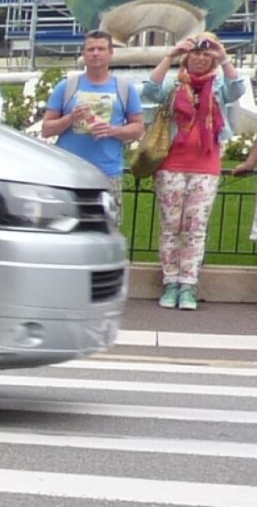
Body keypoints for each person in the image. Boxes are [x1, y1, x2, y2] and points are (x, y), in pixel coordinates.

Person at [146, 31, 244, 311]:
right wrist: (170, 55)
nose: (200, 58)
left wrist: (222, 57)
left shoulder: (218, 86)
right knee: (171, 227)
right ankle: (170, 282)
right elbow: (150, 90)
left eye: (205, 53)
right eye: (196, 53)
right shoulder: (175, 85)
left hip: (206, 165)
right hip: (171, 165)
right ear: (187, 56)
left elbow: (237, 88)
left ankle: (188, 283)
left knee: (195, 228)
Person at [36, 28, 142, 185]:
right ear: (83, 54)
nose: (95, 53)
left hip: (107, 172)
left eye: (101, 49)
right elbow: (46, 129)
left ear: (111, 53)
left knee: (106, 210)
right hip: (69, 171)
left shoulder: (125, 88)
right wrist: (71, 118)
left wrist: (113, 130)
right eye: (91, 49)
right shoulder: (66, 86)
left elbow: (138, 128)